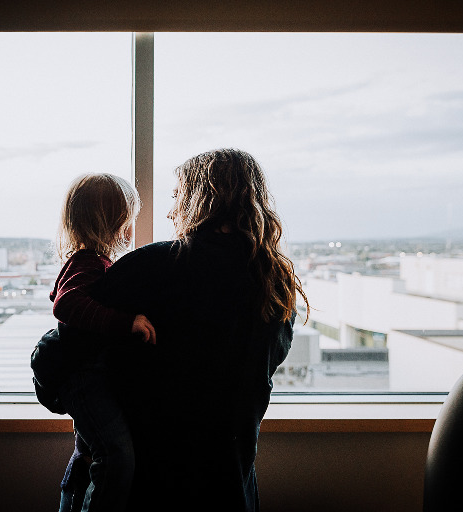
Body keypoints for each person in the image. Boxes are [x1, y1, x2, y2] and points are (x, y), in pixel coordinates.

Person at [83, 148, 309, 512]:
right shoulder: (275, 287)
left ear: (200, 199)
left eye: (177, 196)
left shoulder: (149, 268)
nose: (172, 211)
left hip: (144, 486)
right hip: (230, 488)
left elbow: (67, 352)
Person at [46, 173, 157, 512]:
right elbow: (65, 303)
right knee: (117, 457)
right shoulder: (89, 263)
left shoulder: (90, 261)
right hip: (84, 379)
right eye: (128, 218)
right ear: (112, 222)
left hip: (86, 377)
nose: (131, 227)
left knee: (89, 454)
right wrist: (127, 323)